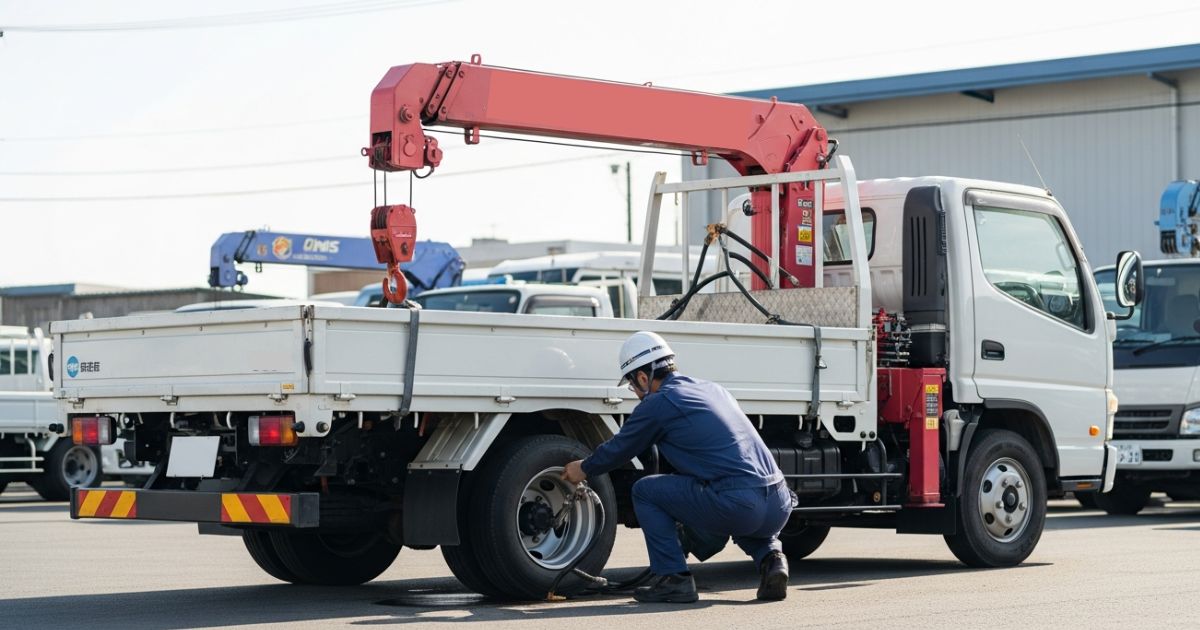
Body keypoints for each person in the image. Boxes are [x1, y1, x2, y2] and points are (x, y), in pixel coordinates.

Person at [562, 331, 793, 604]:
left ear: (644, 378)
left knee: (646, 490)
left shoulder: (659, 403)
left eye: (632, 386)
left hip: (740, 504)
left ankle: (674, 580)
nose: (635, 393)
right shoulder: (711, 388)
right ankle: (772, 560)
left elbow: (620, 448)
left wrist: (584, 468)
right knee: (736, 501)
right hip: (779, 503)